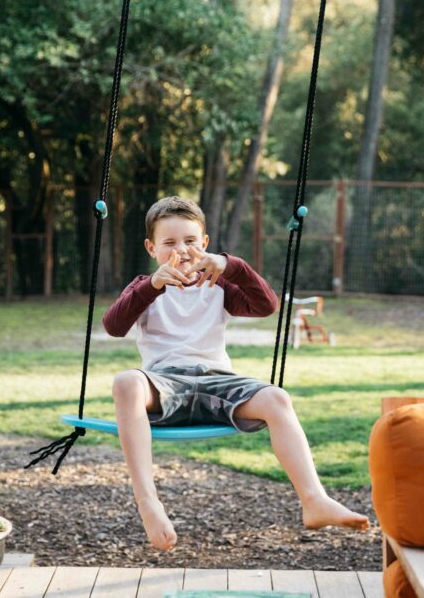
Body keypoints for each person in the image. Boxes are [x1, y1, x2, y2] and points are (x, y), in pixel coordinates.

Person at [102, 196, 368, 551]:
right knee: (126, 382)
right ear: (152, 248)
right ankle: (149, 503)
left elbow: (266, 305)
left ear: (205, 244)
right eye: (169, 243)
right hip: (165, 383)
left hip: (217, 381)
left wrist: (232, 266)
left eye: (190, 241)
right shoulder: (144, 288)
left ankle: (314, 499)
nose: (181, 250)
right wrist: (151, 286)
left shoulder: (218, 285)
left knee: (277, 398)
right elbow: (114, 326)